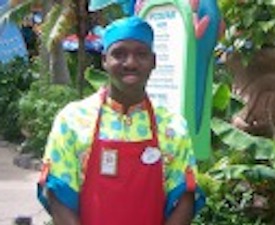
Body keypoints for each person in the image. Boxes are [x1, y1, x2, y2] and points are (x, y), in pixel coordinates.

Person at [38, 16, 205, 225]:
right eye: (119, 54)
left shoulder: (172, 126)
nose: (130, 63)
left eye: (141, 54)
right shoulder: (72, 120)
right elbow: (57, 193)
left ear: (153, 62)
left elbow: (184, 197)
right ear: (104, 60)